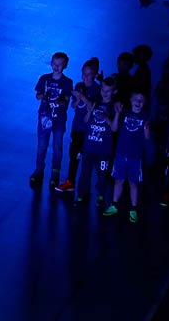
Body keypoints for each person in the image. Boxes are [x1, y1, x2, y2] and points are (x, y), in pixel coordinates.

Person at [104, 90, 152, 222]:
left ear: (144, 103)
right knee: (118, 180)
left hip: (135, 157)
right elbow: (114, 129)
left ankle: (133, 208)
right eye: (136, 99)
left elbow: (147, 137)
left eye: (141, 100)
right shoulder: (124, 113)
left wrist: (147, 129)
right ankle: (114, 205)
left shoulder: (145, 117)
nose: (138, 102)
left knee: (133, 183)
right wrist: (118, 114)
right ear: (131, 100)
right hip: (120, 154)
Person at [74, 78, 119, 210]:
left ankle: (101, 195)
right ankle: (82, 193)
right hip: (89, 146)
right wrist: (89, 111)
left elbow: (115, 128)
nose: (104, 93)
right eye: (103, 89)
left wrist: (107, 118)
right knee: (84, 173)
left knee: (102, 174)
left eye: (108, 91)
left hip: (103, 150)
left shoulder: (113, 107)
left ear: (114, 91)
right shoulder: (96, 101)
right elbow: (86, 120)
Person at [32, 53, 74, 191]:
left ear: (65, 65)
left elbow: (66, 101)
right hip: (44, 119)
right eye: (54, 63)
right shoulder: (44, 78)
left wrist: (60, 100)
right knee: (41, 146)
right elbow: (37, 95)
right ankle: (39, 170)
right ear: (51, 63)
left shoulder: (67, 82)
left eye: (59, 64)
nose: (56, 67)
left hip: (59, 120)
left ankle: (55, 174)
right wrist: (43, 95)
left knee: (58, 147)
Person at [58, 57, 99, 193]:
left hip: (89, 130)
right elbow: (74, 105)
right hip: (77, 127)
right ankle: (70, 182)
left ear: (94, 74)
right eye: (83, 74)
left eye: (88, 74)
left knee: (87, 159)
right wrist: (75, 100)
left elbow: (92, 107)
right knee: (73, 155)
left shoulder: (96, 89)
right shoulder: (79, 86)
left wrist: (82, 97)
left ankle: (86, 187)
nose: (85, 77)